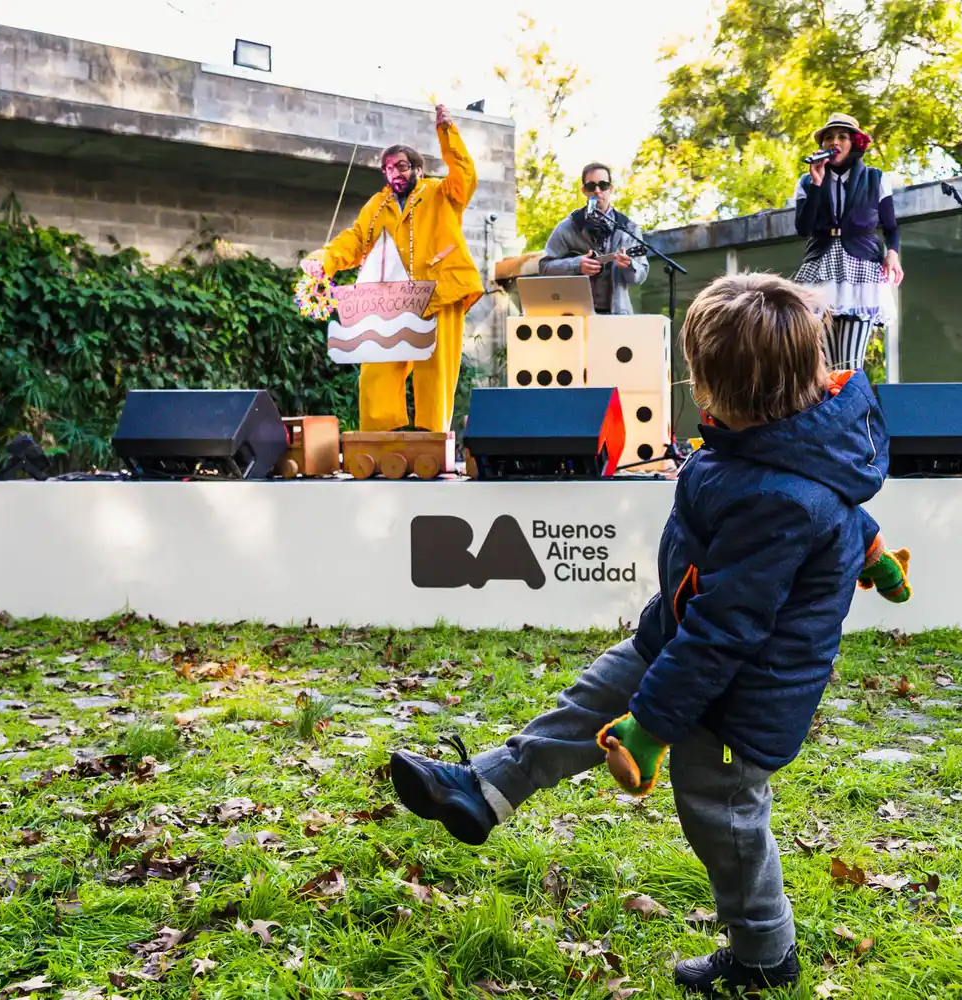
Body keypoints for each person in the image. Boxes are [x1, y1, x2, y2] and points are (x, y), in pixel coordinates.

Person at [386, 273, 913, 998]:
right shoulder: (782, 449)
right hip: (676, 641)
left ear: (720, 389)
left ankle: (764, 951)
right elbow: (843, 515)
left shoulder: (777, 493)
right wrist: (874, 554)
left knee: (722, 819)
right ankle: (483, 788)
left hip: (737, 694)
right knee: (587, 702)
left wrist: (652, 726)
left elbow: (728, 631)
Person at [300, 104, 483, 433]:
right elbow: (354, 241)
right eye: (387, 168)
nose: (394, 173)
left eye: (401, 165)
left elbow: (466, 176)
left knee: (435, 374)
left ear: (417, 168)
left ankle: (431, 443)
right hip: (392, 301)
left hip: (440, 291)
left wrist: (447, 132)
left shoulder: (440, 192)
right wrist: (322, 261)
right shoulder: (376, 205)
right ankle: (383, 441)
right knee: (376, 371)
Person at [793, 112, 904, 373]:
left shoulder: (876, 178)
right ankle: (840, 414)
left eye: (842, 136)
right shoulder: (807, 182)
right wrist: (817, 185)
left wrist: (893, 253)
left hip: (861, 269)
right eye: (829, 137)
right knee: (830, 367)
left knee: (850, 364)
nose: (835, 142)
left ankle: (856, 413)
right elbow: (803, 229)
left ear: (854, 142)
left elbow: (890, 227)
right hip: (821, 268)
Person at [537, 163, 648, 314]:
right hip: (573, 316)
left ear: (611, 188)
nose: (597, 191)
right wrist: (576, 264)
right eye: (591, 186)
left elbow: (640, 276)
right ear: (584, 190)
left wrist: (629, 265)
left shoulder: (628, 228)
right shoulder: (567, 227)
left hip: (616, 317)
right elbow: (544, 268)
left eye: (603, 185)